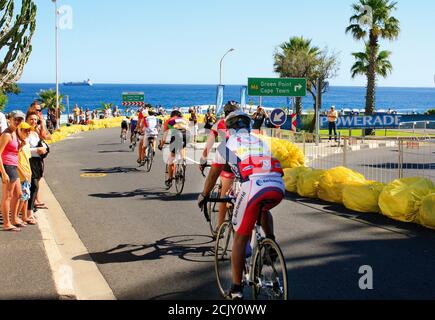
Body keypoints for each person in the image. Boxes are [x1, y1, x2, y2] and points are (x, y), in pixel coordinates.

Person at [198, 111, 285, 300]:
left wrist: (204, 195)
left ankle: (236, 289)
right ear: (248, 126)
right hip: (277, 186)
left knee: (240, 238)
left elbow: (213, 175)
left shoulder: (226, 145)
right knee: (263, 207)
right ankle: (270, 242)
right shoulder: (261, 141)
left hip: (252, 187)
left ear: (229, 128)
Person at [199, 102, 240, 234]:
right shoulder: (244, 123)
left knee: (224, 196)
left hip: (228, 157)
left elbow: (209, 144)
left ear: (225, 113)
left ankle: (220, 227)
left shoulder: (220, 123)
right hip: (249, 158)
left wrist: (203, 160)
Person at [0, 111, 26, 232]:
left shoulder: (14, 132)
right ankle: (6, 223)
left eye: (20, 120)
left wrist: (21, 145)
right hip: (7, 166)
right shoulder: (6, 134)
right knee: (8, 196)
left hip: (13, 165)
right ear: (9, 119)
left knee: (19, 194)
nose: (17, 122)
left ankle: (14, 218)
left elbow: (12, 151)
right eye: (15, 119)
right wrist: (3, 173)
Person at [158, 110, 189, 188]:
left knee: (171, 158)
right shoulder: (184, 120)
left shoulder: (170, 120)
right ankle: (183, 160)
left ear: (172, 115)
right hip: (186, 134)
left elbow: (164, 138)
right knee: (182, 147)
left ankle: (170, 178)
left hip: (176, 135)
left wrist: (161, 145)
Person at [26, 112, 49, 217]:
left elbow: (44, 138)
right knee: (33, 186)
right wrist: (37, 149)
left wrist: (44, 149)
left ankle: (30, 209)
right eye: (31, 119)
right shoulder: (25, 132)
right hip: (29, 161)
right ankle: (28, 211)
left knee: (34, 186)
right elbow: (24, 150)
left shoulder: (35, 132)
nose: (33, 121)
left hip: (37, 161)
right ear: (26, 120)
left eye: (35, 120)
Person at [16, 121, 36, 226]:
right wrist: (23, 172)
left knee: (26, 196)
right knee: (22, 196)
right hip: (20, 174)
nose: (28, 132)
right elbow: (16, 160)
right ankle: (16, 217)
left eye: (29, 131)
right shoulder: (18, 143)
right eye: (25, 131)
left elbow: (27, 159)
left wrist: (29, 172)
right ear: (19, 131)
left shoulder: (25, 143)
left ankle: (23, 216)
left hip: (27, 173)